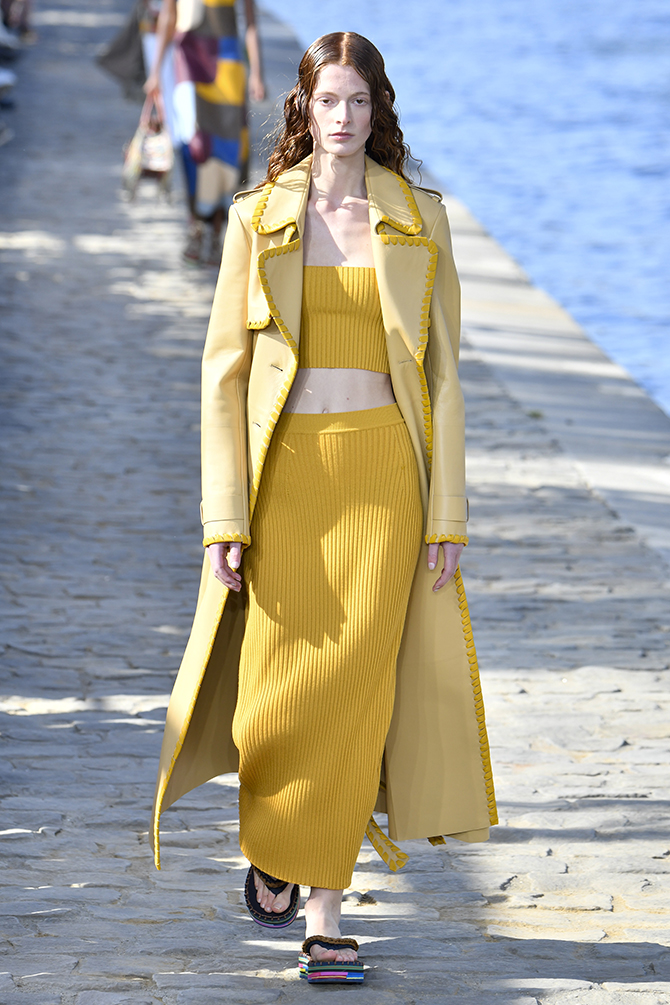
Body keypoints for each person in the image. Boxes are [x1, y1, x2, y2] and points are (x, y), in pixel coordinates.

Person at [151, 31, 497, 984]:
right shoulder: (259, 218)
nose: (343, 119)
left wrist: (448, 515)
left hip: (386, 477)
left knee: (351, 692)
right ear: (301, 109)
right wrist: (224, 516)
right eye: (328, 101)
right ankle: (277, 832)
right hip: (284, 478)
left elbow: (448, 377)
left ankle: (326, 912)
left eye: (360, 102)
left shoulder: (419, 219)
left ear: (379, 111)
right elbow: (223, 377)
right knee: (274, 695)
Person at [144, 0, 264, 265]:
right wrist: (155, 71)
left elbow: (251, 23)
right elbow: (169, 16)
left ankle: (219, 231)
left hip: (228, 61)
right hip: (188, 59)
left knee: (229, 147)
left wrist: (256, 72)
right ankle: (196, 225)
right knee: (194, 143)